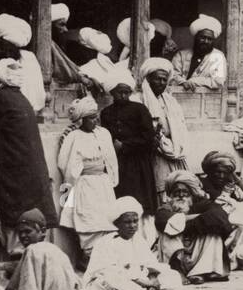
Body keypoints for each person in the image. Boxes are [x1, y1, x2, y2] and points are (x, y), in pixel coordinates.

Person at [0, 58, 57, 258]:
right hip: (28, 167)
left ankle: (16, 257)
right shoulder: (20, 97)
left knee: (15, 213)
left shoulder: (0, 98)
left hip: (15, 168)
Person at [84, 197, 183, 290]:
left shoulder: (138, 240)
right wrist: (144, 283)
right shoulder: (106, 242)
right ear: (117, 224)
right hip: (113, 281)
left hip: (142, 280)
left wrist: (153, 279)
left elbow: (150, 264)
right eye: (127, 222)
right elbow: (106, 271)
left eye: (135, 221)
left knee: (172, 275)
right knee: (112, 279)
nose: (133, 226)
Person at [55, 95, 119, 260]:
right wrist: (68, 192)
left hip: (103, 184)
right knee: (89, 221)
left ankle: (105, 258)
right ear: (81, 120)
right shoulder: (74, 137)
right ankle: (89, 257)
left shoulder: (104, 133)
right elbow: (65, 165)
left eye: (96, 116)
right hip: (85, 185)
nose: (95, 120)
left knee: (107, 219)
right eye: (91, 118)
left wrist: (110, 178)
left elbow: (111, 159)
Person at [98, 71, 159, 234]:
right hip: (117, 164)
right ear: (112, 93)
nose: (123, 96)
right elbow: (104, 136)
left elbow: (149, 138)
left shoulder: (139, 109)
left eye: (126, 92)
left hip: (138, 164)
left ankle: (144, 237)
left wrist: (125, 145)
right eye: (120, 92)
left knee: (140, 199)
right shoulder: (106, 113)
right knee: (120, 198)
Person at [6, 209, 90, 290]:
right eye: (20, 232)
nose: (23, 236)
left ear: (43, 231)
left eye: (27, 231)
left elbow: (28, 289)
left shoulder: (32, 250)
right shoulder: (57, 250)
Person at [156, 171, 234, 283]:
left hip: (197, 252)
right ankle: (177, 271)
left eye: (184, 192)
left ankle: (200, 272)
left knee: (213, 234)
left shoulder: (201, 205)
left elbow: (219, 217)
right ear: (171, 195)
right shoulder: (166, 208)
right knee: (169, 230)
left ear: (191, 194)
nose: (181, 195)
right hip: (176, 254)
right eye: (177, 192)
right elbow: (162, 220)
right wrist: (199, 220)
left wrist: (184, 222)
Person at [0, 13, 46, 113]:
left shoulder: (28, 60)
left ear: (16, 46)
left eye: (6, 48)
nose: (1, 51)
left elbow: (33, 93)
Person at [139, 58, 189, 187]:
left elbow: (181, 128)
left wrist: (174, 148)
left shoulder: (171, 101)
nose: (161, 83)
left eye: (164, 80)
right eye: (157, 79)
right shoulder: (138, 101)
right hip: (154, 155)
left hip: (175, 153)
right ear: (148, 79)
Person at [173, 15, 227, 91]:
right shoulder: (181, 55)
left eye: (209, 39)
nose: (206, 41)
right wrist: (183, 82)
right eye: (203, 37)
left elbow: (218, 81)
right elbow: (172, 75)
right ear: (196, 37)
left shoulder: (218, 56)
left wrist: (194, 81)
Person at [49, 3, 86, 85]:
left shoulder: (54, 44)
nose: (65, 30)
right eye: (61, 25)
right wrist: (82, 78)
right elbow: (64, 71)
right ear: (49, 25)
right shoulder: (48, 45)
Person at [76, 28, 119, 97]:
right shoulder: (108, 63)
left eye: (79, 46)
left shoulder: (86, 68)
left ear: (88, 49)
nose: (77, 49)